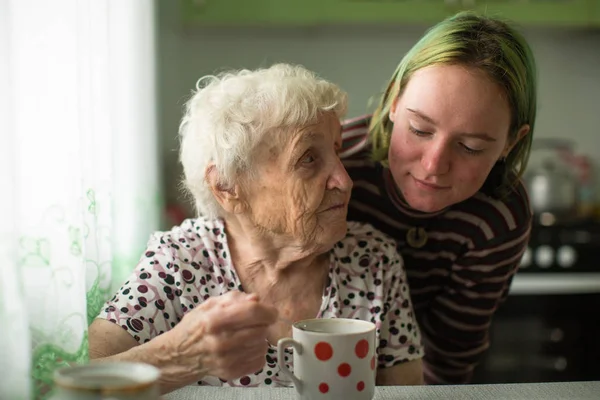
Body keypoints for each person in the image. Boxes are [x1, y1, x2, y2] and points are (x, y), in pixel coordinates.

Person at [88, 63, 424, 394]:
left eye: (336, 150)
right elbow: (84, 379)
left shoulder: (373, 259)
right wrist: (181, 357)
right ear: (227, 187)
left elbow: (408, 393)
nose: (344, 180)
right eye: (308, 158)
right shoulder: (180, 260)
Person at [340, 11, 537, 384]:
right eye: (419, 129)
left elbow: (448, 356)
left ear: (512, 142)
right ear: (394, 101)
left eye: (470, 146)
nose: (434, 165)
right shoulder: (338, 166)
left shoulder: (499, 217)